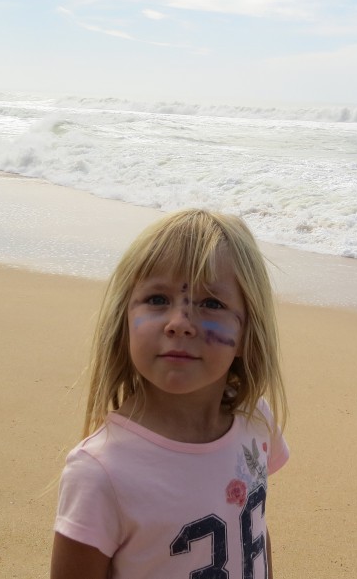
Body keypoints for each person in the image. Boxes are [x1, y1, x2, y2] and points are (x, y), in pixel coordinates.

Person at [50, 209, 289, 579]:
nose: (179, 324)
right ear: (124, 319)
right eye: (158, 299)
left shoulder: (255, 421)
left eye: (211, 303)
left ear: (247, 332)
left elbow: (253, 530)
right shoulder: (101, 472)